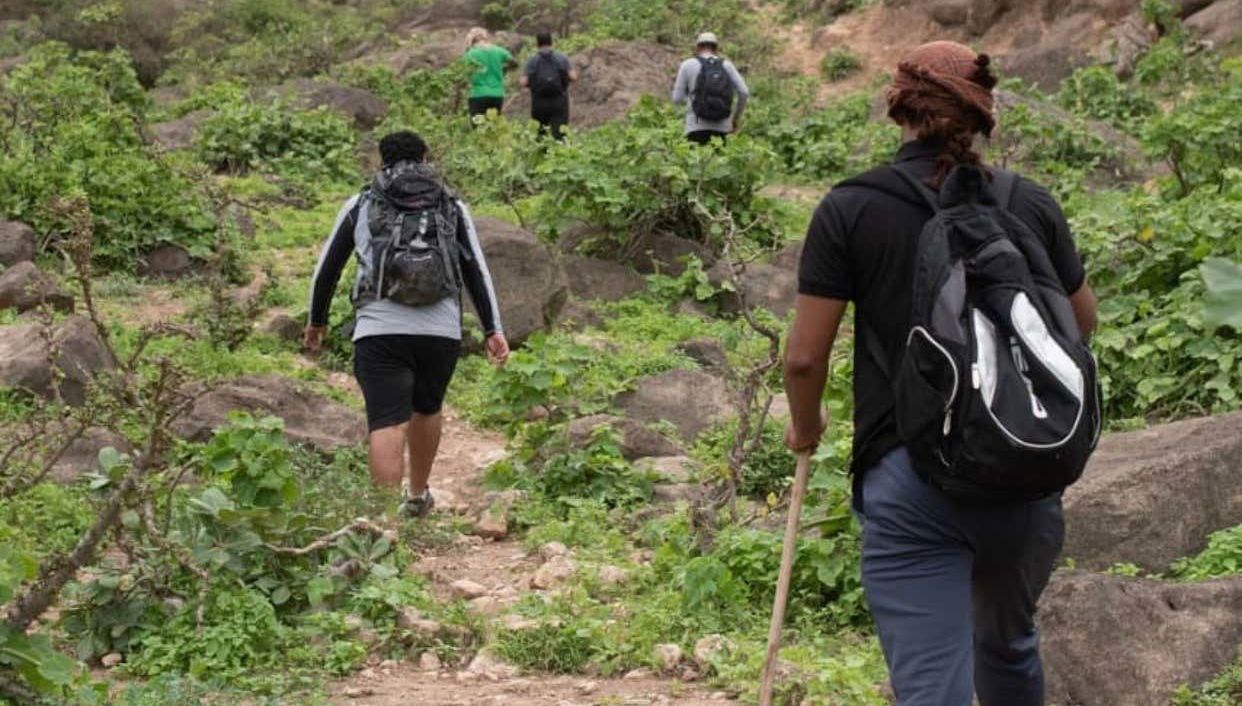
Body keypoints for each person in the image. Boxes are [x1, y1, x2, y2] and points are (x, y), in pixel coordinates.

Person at [782, 41, 1099, 706]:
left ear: (898, 108)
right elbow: (1082, 320)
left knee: (933, 688)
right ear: (982, 116)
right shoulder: (1028, 202)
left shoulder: (851, 208)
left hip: (911, 482)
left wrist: (805, 427)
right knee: (1009, 651)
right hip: (1024, 473)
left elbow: (805, 357)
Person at [304, 131, 510, 518]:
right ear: (425, 158)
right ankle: (417, 495)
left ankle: (382, 521)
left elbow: (327, 269)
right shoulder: (451, 205)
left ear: (380, 161)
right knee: (427, 409)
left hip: (379, 330)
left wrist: (317, 320)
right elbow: (476, 269)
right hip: (440, 332)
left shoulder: (363, 203)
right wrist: (492, 329)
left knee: (387, 420)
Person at [671, 31, 750, 145]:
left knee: (696, 161)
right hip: (723, 128)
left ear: (697, 48)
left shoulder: (687, 65)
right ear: (716, 49)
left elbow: (677, 99)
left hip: (695, 127)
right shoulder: (727, 65)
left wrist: (691, 105)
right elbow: (744, 92)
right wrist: (735, 117)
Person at [519, 32, 577, 140]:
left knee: (540, 132)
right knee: (559, 132)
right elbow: (573, 76)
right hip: (559, 100)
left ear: (537, 43)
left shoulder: (532, 60)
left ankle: (542, 153)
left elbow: (523, 82)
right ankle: (559, 153)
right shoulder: (561, 58)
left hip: (539, 101)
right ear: (551, 42)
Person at [464, 27, 515, 122]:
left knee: (478, 129)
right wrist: (503, 71)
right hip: (497, 94)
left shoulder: (470, 54)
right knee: (494, 128)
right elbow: (513, 63)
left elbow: (463, 75)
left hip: (478, 95)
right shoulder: (499, 51)